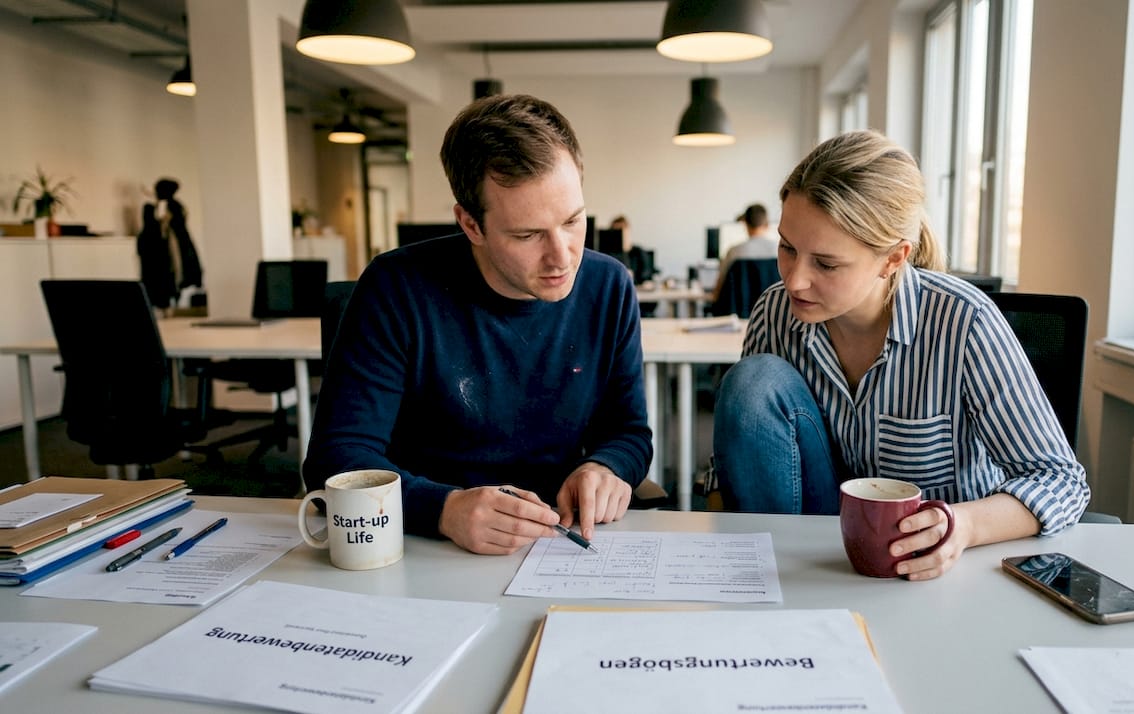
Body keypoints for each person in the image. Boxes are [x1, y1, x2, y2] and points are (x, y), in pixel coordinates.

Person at [712, 130, 1089, 581]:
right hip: (808, 559)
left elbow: (1060, 480)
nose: (794, 280)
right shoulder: (776, 311)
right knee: (752, 382)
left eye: (826, 264)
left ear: (893, 259)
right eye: (788, 248)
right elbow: (742, 459)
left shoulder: (963, 320)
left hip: (930, 565)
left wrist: (963, 525)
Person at [304, 94, 653, 555]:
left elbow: (628, 431)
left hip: (559, 539)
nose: (563, 255)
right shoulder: (396, 288)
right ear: (470, 224)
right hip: (426, 544)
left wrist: (605, 468)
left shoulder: (609, 285)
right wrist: (444, 509)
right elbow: (337, 457)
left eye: (573, 221)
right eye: (527, 235)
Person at [137, 177, 202, 311]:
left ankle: (170, 301)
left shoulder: (173, 207)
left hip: (170, 249)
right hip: (158, 250)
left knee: (174, 273)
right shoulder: (154, 208)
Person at [711, 203, 778, 302]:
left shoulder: (733, 252)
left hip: (739, 314)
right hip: (770, 311)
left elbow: (719, 290)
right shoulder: (778, 250)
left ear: (745, 224)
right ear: (767, 224)